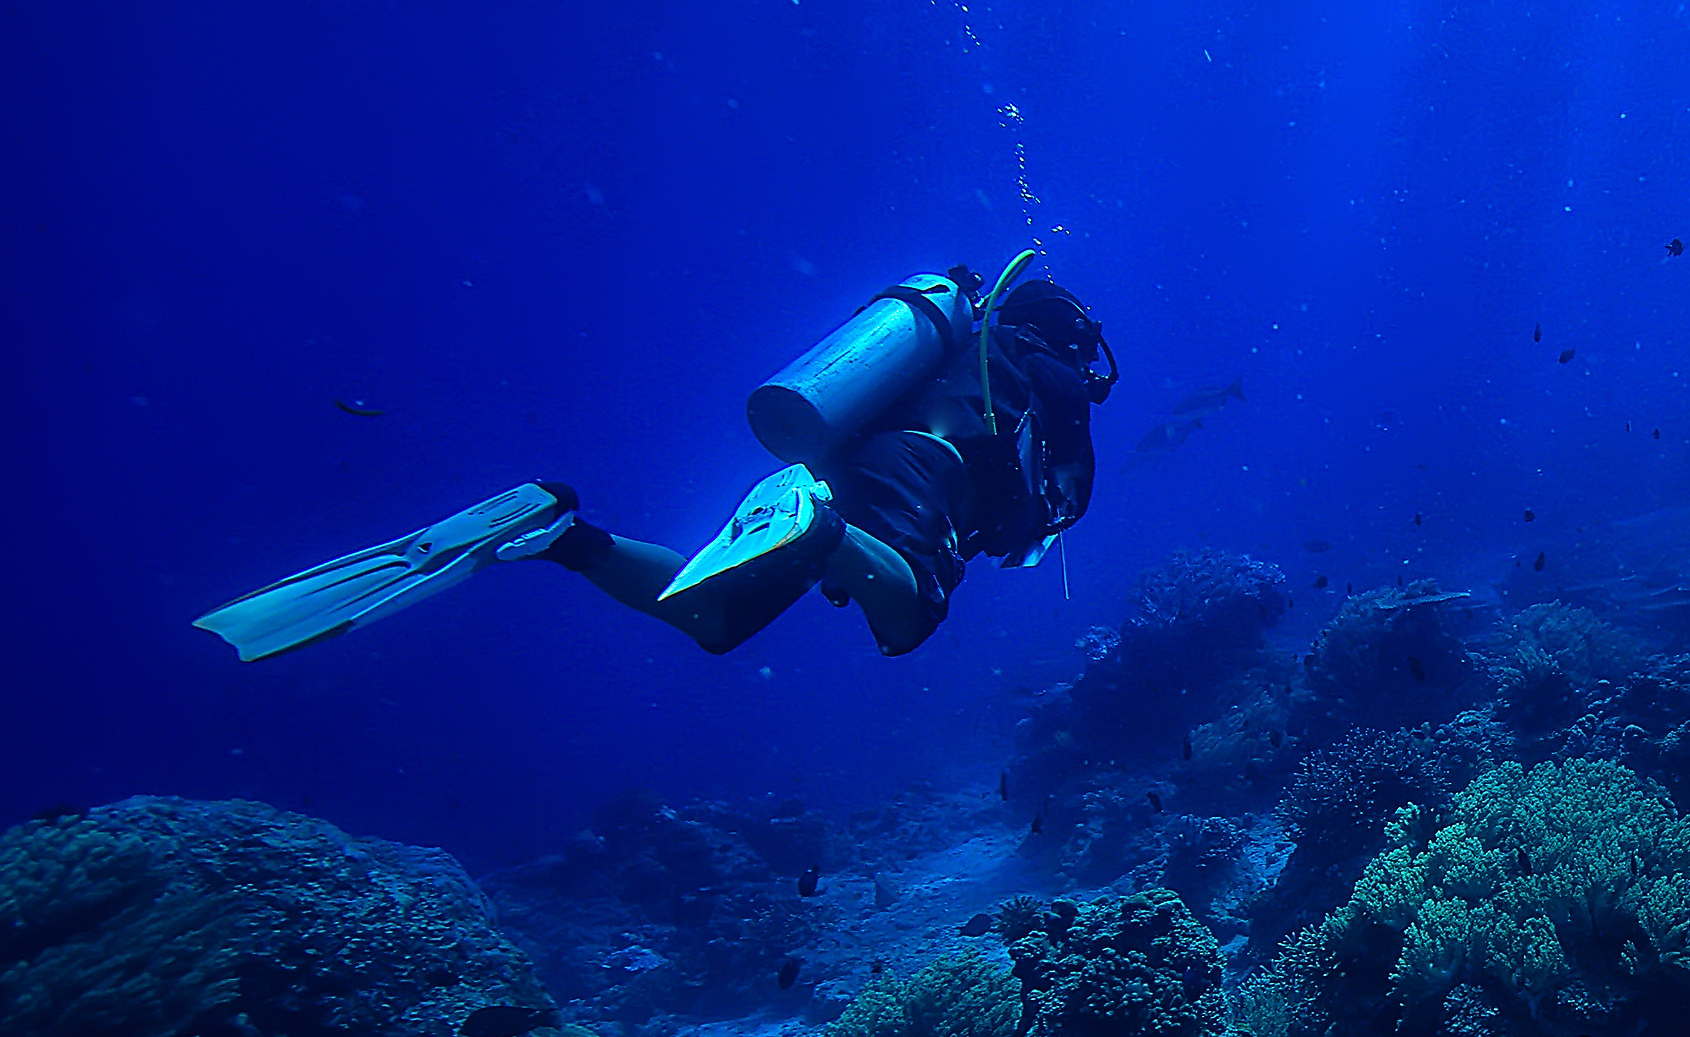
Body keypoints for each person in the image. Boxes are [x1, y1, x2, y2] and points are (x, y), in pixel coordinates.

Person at [196, 257, 1116, 663]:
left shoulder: (958, 349)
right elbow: (1060, 498)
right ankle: (821, 532)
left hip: (848, 462)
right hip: (914, 478)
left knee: (713, 619)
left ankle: (560, 532)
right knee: (914, 613)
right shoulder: (1045, 371)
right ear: (1069, 337)